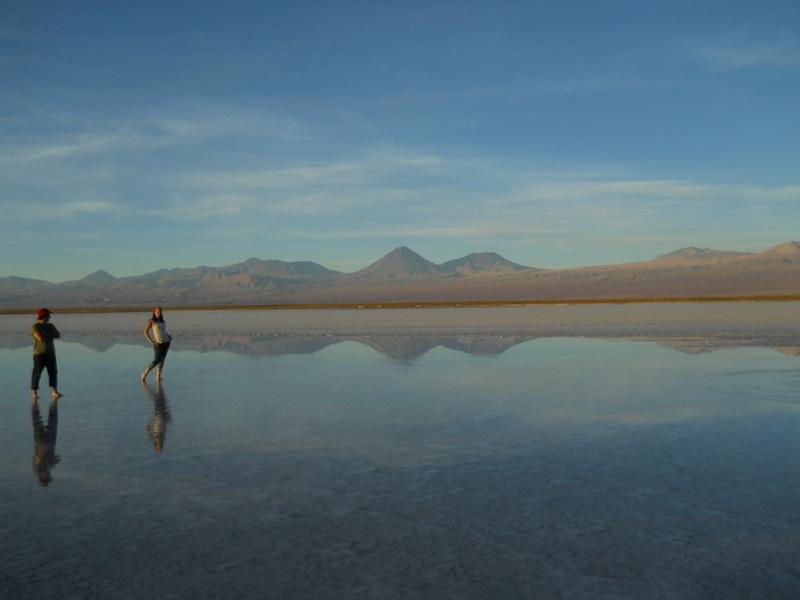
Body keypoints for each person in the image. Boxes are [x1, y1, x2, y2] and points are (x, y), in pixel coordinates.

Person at [31, 308, 63, 401]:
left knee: (53, 372)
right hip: (39, 354)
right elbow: (40, 338)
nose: (50, 317)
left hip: (50, 353)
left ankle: (55, 391)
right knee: (37, 373)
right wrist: (50, 335)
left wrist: (46, 334)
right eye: (48, 315)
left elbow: (58, 335)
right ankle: (34, 393)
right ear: (43, 316)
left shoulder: (51, 326)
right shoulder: (35, 326)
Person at [32, 396, 60, 487]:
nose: (48, 474)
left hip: (41, 443)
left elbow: (37, 459)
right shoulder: (46, 467)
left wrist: (50, 460)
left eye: (47, 477)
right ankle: (36, 404)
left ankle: (35, 404)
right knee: (46, 420)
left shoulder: (37, 469)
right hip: (49, 441)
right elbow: (56, 458)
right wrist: (52, 460)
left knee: (38, 421)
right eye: (48, 476)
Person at [141, 307, 172, 382]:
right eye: (157, 311)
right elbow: (145, 332)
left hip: (166, 342)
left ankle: (158, 377)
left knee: (162, 359)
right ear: (154, 312)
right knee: (157, 360)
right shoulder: (151, 321)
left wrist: (169, 337)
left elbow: (163, 331)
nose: (158, 313)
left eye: (160, 311)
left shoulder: (163, 321)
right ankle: (145, 373)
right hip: (158, 343)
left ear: (161, 313)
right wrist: (151, 341)